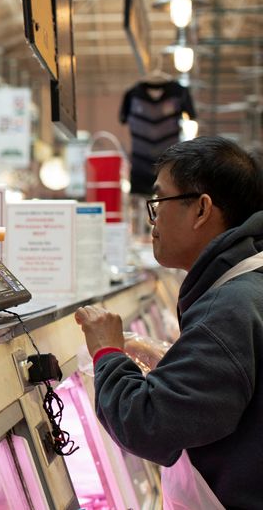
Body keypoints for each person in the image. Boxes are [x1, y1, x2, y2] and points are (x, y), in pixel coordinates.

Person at [74, 136, 263, 509]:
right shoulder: (246, 287)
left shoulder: (228, 308)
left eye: (159, 201)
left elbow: (146, 425)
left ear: (201, 210)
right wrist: (169, 363)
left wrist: (108, 352)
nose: (154, 218)